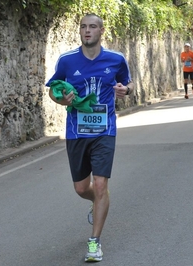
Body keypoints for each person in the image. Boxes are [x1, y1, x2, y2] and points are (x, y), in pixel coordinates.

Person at [46, 13, 134, 262]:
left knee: (102, 184)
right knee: (82, 188)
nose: (87, 31)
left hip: (105, 131)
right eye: (83, 27)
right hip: (76, 131)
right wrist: (60, 99)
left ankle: (94, 242)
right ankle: (96, 201)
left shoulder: (116, 59)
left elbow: (129, 84)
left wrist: (125, 90)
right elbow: (54, 89)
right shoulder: (66, 60)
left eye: (92, 27)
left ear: (101, 31)